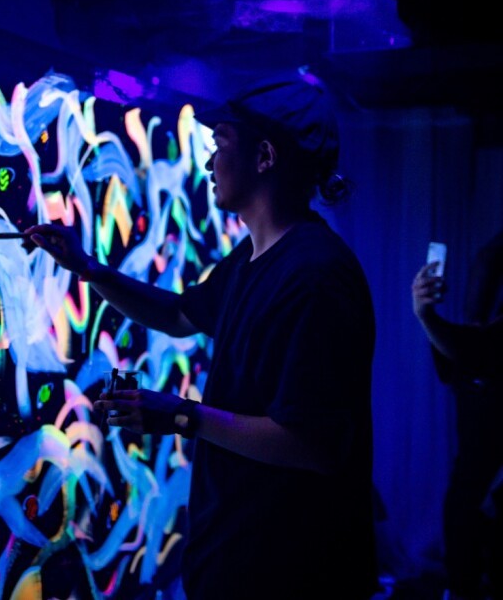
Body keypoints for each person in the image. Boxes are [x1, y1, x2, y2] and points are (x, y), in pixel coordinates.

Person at [26, 70, 378, 599]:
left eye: (222, 144)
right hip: (243, 559)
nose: (210, 162)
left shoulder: (315, 278)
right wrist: (88, 269)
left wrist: (181, 415)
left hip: (290, 572)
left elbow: (313, 444)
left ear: (265, 156)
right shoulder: (254, 258)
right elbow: (178, 314)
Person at [412, 229, 503, 600]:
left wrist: (425, 315)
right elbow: (460, 358)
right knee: (462, 530)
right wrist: (427, 316)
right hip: (472, 476)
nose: (476, 286)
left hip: (490, 482)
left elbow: (473, 351)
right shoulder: (477, 335)